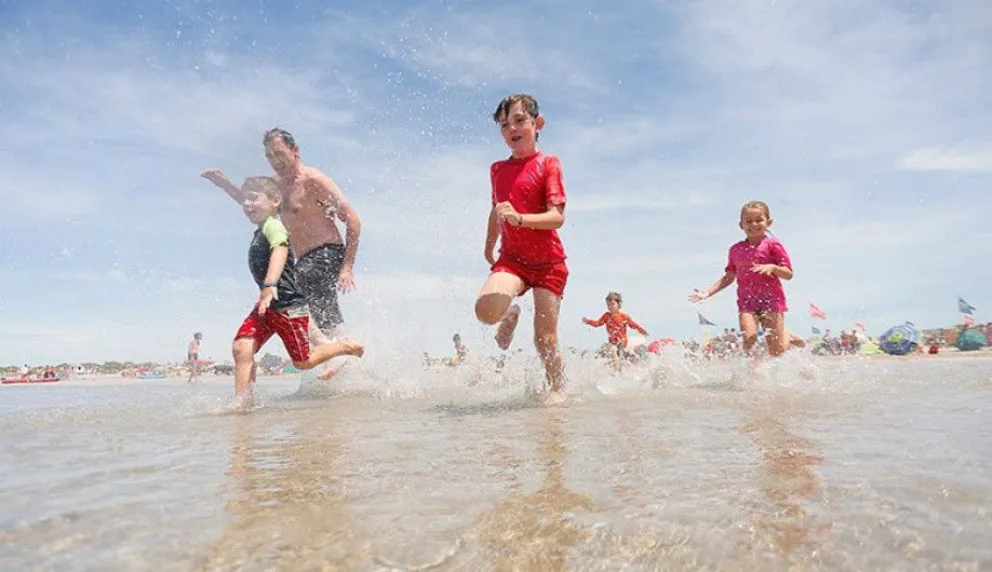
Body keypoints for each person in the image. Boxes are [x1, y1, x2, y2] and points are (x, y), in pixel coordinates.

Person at [202, 129, 362, 381]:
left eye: (279, 153)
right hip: (304, 259)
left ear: (295, 151)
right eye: (269, 156)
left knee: (296, 285)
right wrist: (224, 185)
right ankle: (335, 348)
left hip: (328, 251)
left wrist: (348, 266)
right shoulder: (274, 186)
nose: (275, 160)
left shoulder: (314, 180)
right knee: (296, 297)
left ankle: (338, 348)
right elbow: (253, 203)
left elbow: (353, 220)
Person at [224, 176, 364, 411]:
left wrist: (269, 285)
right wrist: (225, 185)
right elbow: (249, 200)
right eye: (244, 200)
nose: (247, 204)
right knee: (242, 347)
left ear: (275, 201)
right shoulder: (261, 229)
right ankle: (242, 402)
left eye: (253, 198)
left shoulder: (273, 226)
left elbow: (280, 250)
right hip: (267, 305)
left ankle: (344, 347)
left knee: (303, 361)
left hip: (288, 305)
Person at [474, 94, 569, 405]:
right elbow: (496, 210)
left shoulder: (548, 163)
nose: (510, 128)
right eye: (503, 124)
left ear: (537, 124)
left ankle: (558, 389)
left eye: (518, 121)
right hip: (513, 260)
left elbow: (557, 218)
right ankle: (511, 310)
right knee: (486, 311)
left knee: (544, 338)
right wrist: (489, 245)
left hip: (549, 264)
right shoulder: (497, 169)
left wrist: (520, 218)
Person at [689, 200, 794, 360]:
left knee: (776, 351)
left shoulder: (773, 244)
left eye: (759, 220)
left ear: (769, 222)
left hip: (772, 300)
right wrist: (708, 292)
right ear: (741, 225)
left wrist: (772, 267)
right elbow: (729, 276)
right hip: (747, 302)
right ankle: (753, 377)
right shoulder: (736, 249)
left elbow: (788, 273)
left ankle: (788, 337)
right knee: (749, 340)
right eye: (748, 221)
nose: (754, 224)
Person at [582, 292, 649, 371]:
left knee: (621, 353)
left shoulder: (624, 316)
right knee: (613, 350)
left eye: (612, 304)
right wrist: (588, 321)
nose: (610, 307)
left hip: (622, 341)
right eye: (608, 305)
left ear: (618, 304)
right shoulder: (606, 316)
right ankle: (616, 369)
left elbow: (633, 325)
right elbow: (598, 323)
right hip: (612, 342)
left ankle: (626, 365)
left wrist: (642, 331)